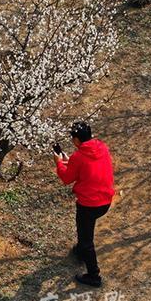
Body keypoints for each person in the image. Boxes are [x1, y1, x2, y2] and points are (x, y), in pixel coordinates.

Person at [54, 121, 114, 287]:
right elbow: (87, 168)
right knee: (86, 231)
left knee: (86, 239)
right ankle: (80, 251)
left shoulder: (78, 157)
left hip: (89, 205)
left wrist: (59, 162)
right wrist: (69, 161)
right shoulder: (102, 148)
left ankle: (94, 276)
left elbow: (66, 178)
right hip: (105, 200)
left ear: (76, 140)